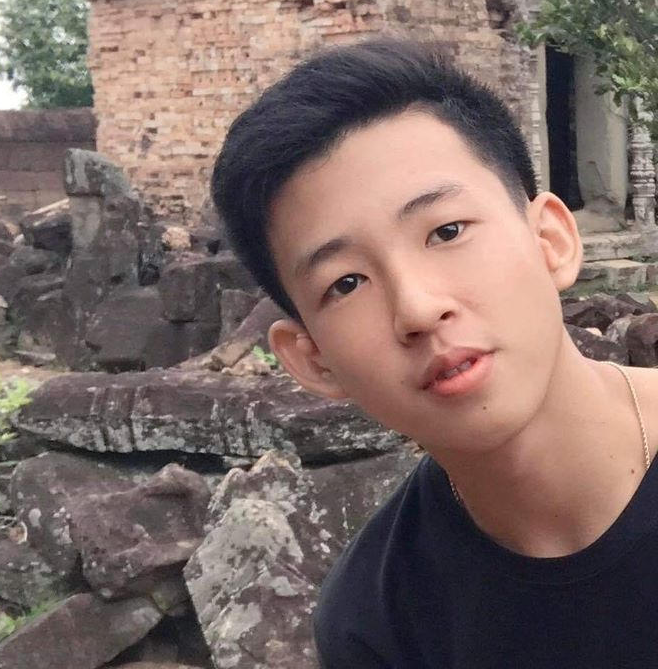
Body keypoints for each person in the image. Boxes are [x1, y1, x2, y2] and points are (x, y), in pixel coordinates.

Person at [210, 36, 658, 668]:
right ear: (313, 359)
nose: (417, 309)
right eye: (347, 283)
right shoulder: (378, 622)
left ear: (551, 242)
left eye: (446, 231)